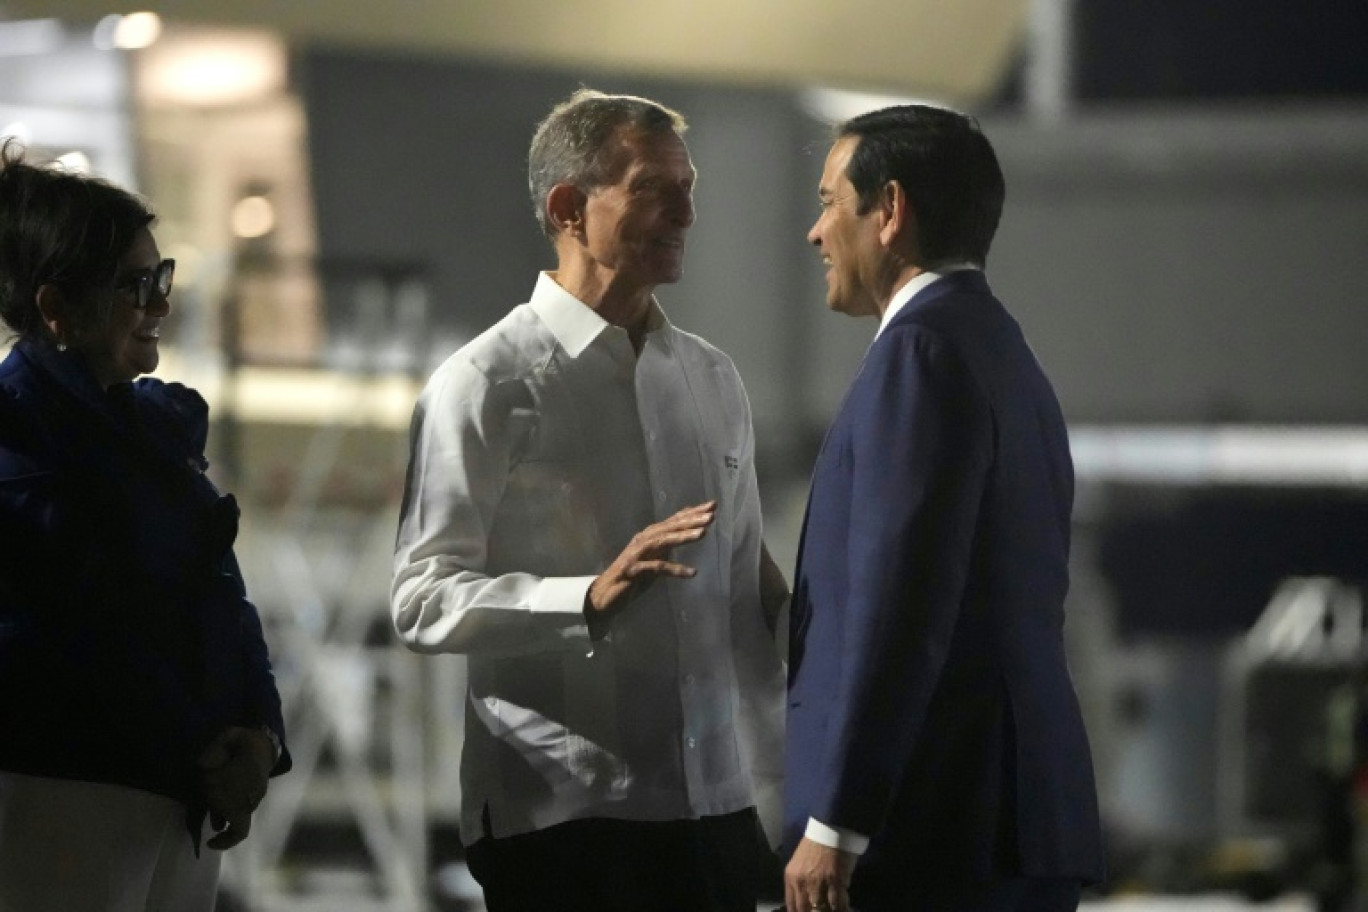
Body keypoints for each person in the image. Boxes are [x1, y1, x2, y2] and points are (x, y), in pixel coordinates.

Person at [391, 88, 786, 912]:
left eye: (688, 188)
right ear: (570, 206)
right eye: (654, 188)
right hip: (564, 813)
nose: (685, 212)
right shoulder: (484, 383)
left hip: (715, 806)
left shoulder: (713, 379)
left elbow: (748, 587)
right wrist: (587, 598)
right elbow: (421, 598)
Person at [782, 105, 1106, 912]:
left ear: (888, 212)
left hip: (930, 834)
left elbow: (903, 606)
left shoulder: (918, 354)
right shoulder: (1007, 354)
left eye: (829, 202)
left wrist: (838, 824)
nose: (816, 232)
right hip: (1015, 821)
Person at [0, 144, 290, 912]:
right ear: (57, 308)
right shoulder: (20, 441)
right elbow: (93, 629)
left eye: (162, 277)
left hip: (168, 799)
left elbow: (219, 603)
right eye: (138, 284)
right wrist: (220, 741)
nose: (161, 302)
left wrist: (259, 733)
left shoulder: (145, 432)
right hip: (62, 798)